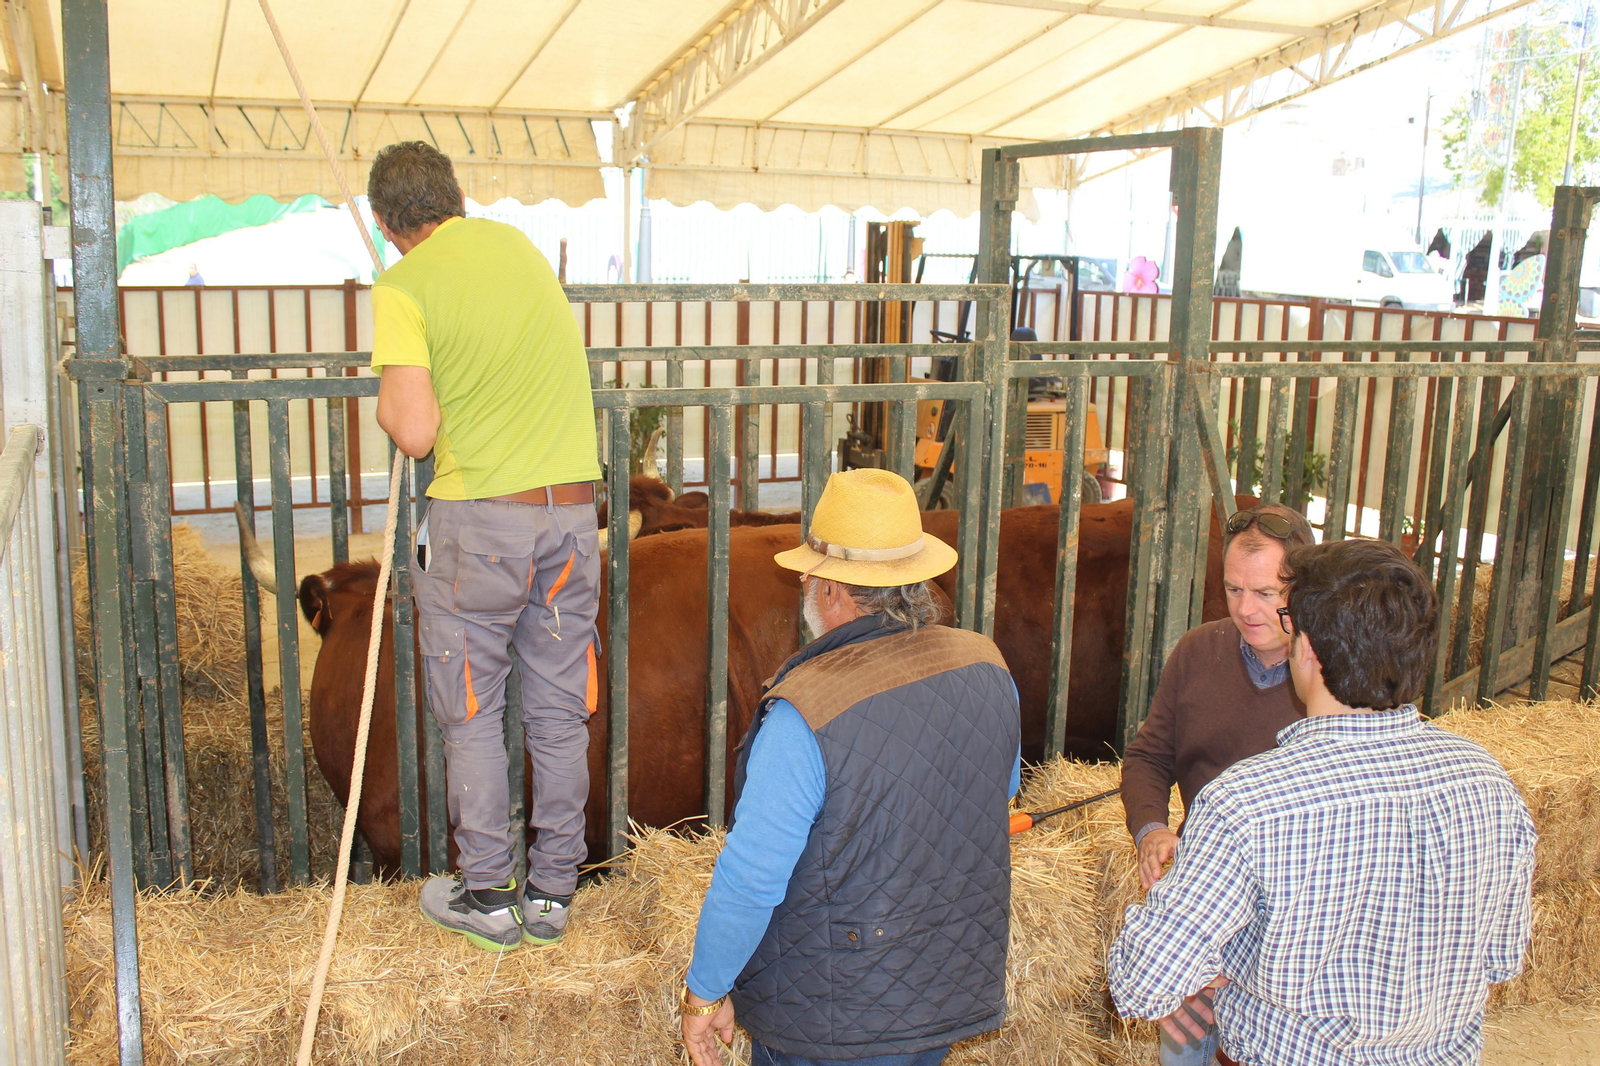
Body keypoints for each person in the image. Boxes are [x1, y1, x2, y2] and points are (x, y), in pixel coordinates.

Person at [1108, 539, 1536, 1065]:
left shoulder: (1246, 802)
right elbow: (1501, 958)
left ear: (1305, 648)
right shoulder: (1488, 782)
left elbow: (1140, 984)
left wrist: (1224, 957)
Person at [679, 469, 1022, 1066]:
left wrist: (704, 994)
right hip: (941, 986)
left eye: (810, 574)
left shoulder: (805, 712)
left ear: (833, 589)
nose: (805, 585)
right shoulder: (987, 665)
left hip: (833, 1019)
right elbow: (1002, 788)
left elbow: (752, 879)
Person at [369, 140, 601, 952]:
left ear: (389, 225)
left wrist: (386, 405)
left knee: (470, 714)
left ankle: (490, 897)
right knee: (559, 710)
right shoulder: (517, 246)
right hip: (573, 518)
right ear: (455, 198)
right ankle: (554, 894)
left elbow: (415, 428)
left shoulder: (402, 284)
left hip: (483, 524)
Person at [1120, 502, 1313, 1064]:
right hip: (1204, 892)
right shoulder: (1199, 651)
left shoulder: (1332, 674)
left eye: (1266, 594)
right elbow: (1150, 755)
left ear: (1300, 588)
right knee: (1185, 1047)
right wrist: (1152, 829)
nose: (1245, 610)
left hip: (1288, 917)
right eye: (1233, 590)